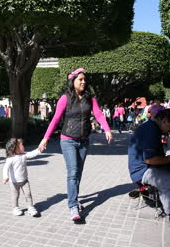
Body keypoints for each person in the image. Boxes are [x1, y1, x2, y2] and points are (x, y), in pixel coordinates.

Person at [38, 68, 113, 221]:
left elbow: (98, 113)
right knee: (72, 172)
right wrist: (46, 138)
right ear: (73, 81)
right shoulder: (65, 98)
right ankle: (73, 206)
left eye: (85, 79)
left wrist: (107, 129)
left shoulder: (89, 98)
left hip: (84, 140)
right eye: (80, 79)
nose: (84, 82)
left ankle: (75, 199)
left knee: (78, 173)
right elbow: (55, 119)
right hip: (67, 140)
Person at [128, 109, 170, 218]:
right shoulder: (151, 130)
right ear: (164, 121)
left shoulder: (152, 127)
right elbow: (149, 159)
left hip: (146, 167)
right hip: (142, 171)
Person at [3, 138, 40, 217]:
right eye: (21, 145)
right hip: (14, 182)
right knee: (15, 195)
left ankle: (30, 208)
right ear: (15, 148)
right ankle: (15, 208)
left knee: (28, 194)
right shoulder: (10, 159)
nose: (23, 146)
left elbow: (32, 153)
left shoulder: (24, 155)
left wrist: (39, 149)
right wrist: (5, 176)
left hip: (24, 180)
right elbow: (5, 168)